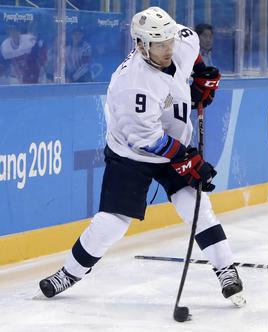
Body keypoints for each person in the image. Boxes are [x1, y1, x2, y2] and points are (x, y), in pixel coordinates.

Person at [39, 7, 246, 307]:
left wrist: (201, 75)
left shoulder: (181, 41)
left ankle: (226, 268)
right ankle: (70, 272)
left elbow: (192, 54)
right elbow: (148, 140)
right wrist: (187, 160)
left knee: (196, 207)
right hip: (131, 154)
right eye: (159, 45)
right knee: (112, 222)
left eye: (169, 42)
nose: (168, 50)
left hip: (174, 141)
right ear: (140, 45)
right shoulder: (131, 84)